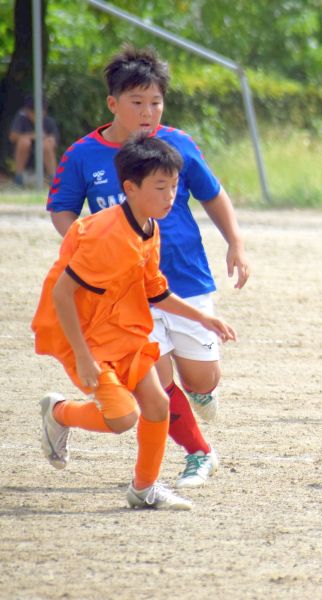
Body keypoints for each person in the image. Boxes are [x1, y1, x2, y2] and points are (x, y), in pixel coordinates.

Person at [46, 45, 250, 489]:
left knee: (202, 377)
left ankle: (199, 392)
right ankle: (198, 453)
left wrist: (235, 243)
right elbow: (63, 210)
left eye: (155, 102)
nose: (147, 112)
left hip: (186, 277)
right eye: (136, 102)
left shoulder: (178, 144)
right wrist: (89, 249)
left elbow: (213, 194)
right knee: (154, 381)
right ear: (112, 103)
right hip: (127, 294)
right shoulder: (82, 155)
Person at [32, 133, 236, 510]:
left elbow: (155, 290)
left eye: (174, 186)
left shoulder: (150, 227)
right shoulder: (105, 235)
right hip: (85, 336)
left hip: (124, 328)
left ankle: (144, 489)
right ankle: (60, 413)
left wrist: (204, 318)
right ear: (130, 187)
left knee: (157, 404)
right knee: (123, 417)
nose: (170, 196)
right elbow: (62, 294)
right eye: (160, 187)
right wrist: (83, 356)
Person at [9, 95, 59, 186]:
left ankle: (53, 178)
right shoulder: (21, 119)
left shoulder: (49, 121)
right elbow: (12, 137)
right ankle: (19, 177)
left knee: (47, 145)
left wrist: (49, 139)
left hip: (43, 157)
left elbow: (54, 141)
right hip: (25, 156)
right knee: (24, 142)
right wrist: (32, 136)